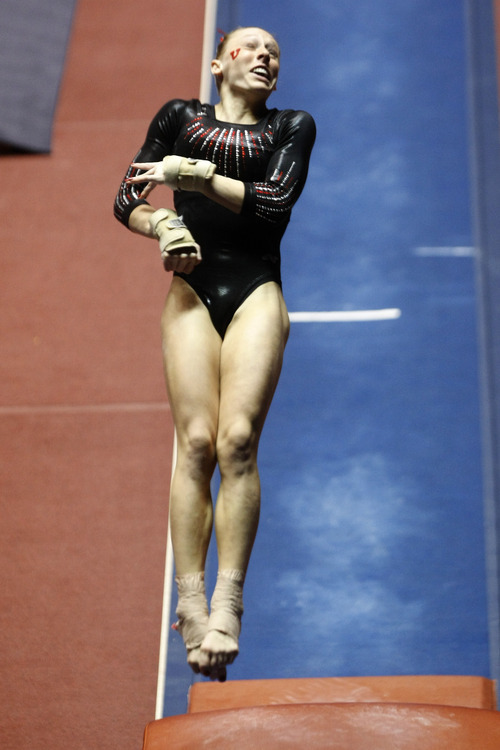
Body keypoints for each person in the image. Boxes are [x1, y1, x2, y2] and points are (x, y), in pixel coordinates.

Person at [114, 26, 316, 681]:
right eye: (252, 47)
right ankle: (192, 604)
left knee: (236, 443)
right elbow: (127, 200)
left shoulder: (291, 126)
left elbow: (273, 206)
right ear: (217, 61)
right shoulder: (179, 117)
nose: (265, 56)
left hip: (255, 285)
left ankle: (229, 601)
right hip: (192, 287)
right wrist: (167, 224)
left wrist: (192, 176)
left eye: (274, 54)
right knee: (196, 442)